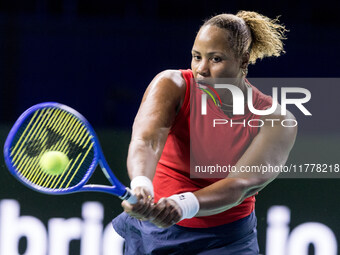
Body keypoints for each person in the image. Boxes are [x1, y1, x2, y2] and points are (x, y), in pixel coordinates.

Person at [113, 10, 297, 254]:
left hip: (225, 242)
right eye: (196, 56)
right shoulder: (172, 84)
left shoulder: (276, 119)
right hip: (153, 232)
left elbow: (239, 184)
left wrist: (184, 204)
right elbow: (146, 140)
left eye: (216, 59)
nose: (201, 68)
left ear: (243, 61)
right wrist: (141, 184)